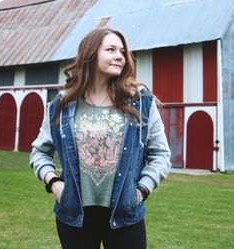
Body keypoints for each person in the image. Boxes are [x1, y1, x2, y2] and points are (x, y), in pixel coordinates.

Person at [29, 27, 171, 249]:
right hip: (75, 216)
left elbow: (161, 154)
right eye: (111, 49)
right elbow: (40, 151)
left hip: (125, 214)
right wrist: (54, 183)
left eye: (122, 52)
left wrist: (142, 191)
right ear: (91, 54)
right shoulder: (62, 106)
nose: (120, 57)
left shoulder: (141, 103)